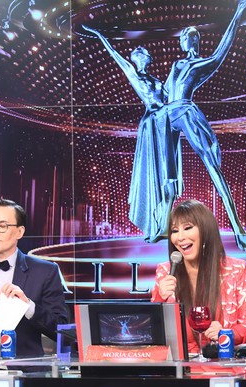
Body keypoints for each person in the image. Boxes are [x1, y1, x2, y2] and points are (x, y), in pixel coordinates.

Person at [163, 0, 246, 251]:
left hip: (185, 111)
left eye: (190, 36)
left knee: (212, 166)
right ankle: (162, 227)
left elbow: (222, 49)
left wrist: (238, 12)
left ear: (195, 41)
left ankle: (237, 227)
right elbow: (163, 92)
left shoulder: (202, 64)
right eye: (183, 36)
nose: (185, 39)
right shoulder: (177, 65)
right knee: (167, 176)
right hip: (167, 118)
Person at [83, 25, 178, 243]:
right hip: (151, 126)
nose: (140, 60)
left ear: (148, 59)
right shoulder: (135, 76)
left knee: (168, 179)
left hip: (165, 124)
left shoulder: (157, 81)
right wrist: (99, 34)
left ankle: (164, 226)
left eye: (143, 57)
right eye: (137, 58)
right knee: (154, 176)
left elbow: (172, 95)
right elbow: (116, 56)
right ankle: (154, 225)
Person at [0, 198, 69, 358]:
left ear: (19, 232)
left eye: (2, 226)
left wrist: (28, 306)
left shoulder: (45, 271)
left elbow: (62, 331)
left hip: (25, 367)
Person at [151, 199, 246, 354]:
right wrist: (159, 298)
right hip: (182, 364)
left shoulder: (235, 269)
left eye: (187, 228)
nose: (180, 237)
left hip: (222, 362)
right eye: (174, 231)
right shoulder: (166, 271)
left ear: (206, 231)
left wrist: (226, 333)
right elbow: (152, 331)